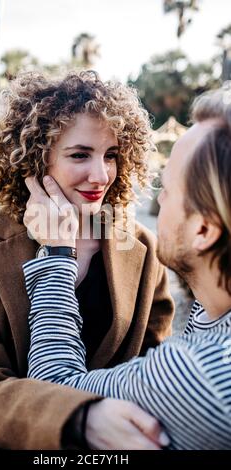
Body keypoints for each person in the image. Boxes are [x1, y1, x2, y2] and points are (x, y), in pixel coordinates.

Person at [0, 71, 174, 450]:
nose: (100, 175)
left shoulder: (140, 246)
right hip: (3, 432)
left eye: (111, 155)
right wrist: (74, 419)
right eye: (80, 155)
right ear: (33, 160)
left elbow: (156, 369)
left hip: (113, 431)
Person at [22, 86, 231, 450]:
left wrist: (57, 254)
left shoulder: (201, 377)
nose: (103, 177)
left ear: (204, 230)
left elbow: (53, 387)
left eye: (167, 190)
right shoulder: (214, 313)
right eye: (79, 154)